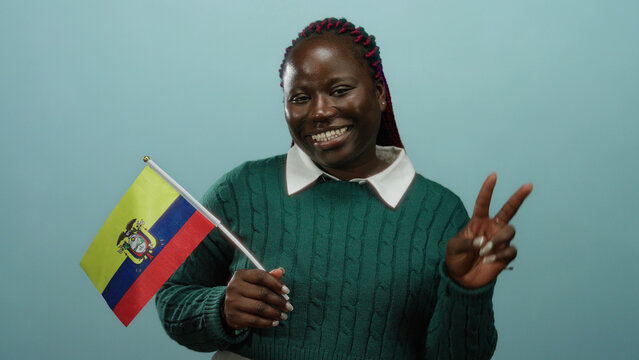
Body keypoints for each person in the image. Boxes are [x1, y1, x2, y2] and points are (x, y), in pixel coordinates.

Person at [156, 17, 532, 359]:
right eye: (300, 98)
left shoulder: (439, 212)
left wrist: (466, 291)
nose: (320, 111)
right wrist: (221, 309)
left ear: (380, 95)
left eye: (339, 90)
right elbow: (172, 299)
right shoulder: (242, 189)